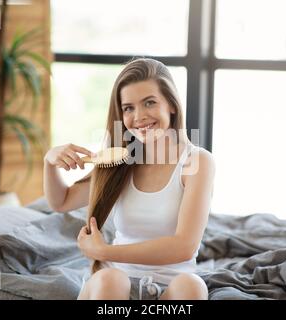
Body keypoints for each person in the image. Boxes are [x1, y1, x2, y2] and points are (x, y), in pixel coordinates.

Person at [43, 58, 215, 300]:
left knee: (193, 287)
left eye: (150, 103)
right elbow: (61, 202)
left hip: (172, 287)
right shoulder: (119, 162)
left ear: (172, 105)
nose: (140, 117)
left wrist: (106, 250)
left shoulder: (197, 162)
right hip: (115, 286)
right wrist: (50, 163)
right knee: (110, 279)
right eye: (128, 108)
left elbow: (184, 246)